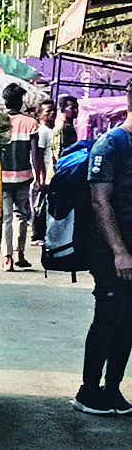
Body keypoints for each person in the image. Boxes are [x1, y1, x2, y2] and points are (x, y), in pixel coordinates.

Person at [78, 110, 132, 415]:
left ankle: (112, 389)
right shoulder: (111, 144)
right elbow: (100, 200)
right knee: (108, 317)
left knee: (127, 322)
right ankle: (88, 391)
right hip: (111, 251)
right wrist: (119, 251)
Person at [0, 83, 42, 270]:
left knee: (6, 218)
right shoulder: (30, 123)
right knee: (21, 216)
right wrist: (39, 177)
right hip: (24, 178)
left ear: (5, 100)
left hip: (2, 178)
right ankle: (20, 254)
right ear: (22, 101)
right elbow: (35, 154)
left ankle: (7, 259)